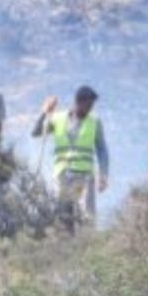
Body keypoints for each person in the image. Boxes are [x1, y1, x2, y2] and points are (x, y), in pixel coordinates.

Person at [33, 86, 109, 229]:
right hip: (62, 175)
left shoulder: (95, 122)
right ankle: (64, 248)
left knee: (87, 218)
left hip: (84, 177)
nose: (90, 109)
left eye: (92, 105)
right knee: (62, 217)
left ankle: (87, 247)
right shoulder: (58, 118)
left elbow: (102, 149)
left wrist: (103, 174)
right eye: (88, 105)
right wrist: (45, 113)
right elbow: (36, 132)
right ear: (78, 102)